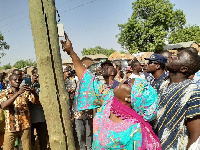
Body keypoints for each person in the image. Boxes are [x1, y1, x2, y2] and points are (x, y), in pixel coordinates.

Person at [60, 33, 161, 149]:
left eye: (127, 83)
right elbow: (86, 77)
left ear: (129, 98)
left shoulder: (137, 130)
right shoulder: (109, 99)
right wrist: (71, 52)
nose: (123, 81)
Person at [153, 49, 200, 149]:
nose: (171, 57)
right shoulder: (163, 83)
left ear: (183, 69)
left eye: (177, 57)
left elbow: (195, 135)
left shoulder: (192, 92)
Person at [0, 73, 40, 150]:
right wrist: (18, 93)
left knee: (26, 148)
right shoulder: (4, 93)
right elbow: (3, 106)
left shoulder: (25, 92)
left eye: (19, 80)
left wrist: (34, 93)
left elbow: (37, 103)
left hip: (25, 125)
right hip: (11, 126)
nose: (17, 81)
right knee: (7, 148)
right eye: (15, 80)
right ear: (10, 81)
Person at [29, 68, 48, 150]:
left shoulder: (43, 84)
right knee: (30, 140)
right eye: (35, 75)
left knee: (43, 139)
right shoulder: (26, 82)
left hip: (41, 117)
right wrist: (32, 82)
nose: (36, 77)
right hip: (29, 117)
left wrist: (40, 82)